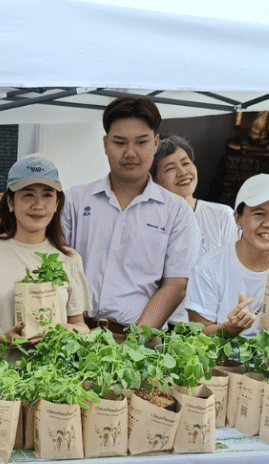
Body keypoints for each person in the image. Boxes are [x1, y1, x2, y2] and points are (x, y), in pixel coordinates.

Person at [61, 95, 201, 333]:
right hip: (74, 333)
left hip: (137, 341)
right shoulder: (74, 200)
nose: (130, 153)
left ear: (156, 143)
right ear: (105, 144)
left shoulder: (176, 211)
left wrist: (136, 342)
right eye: (119, 142)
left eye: (141, 142)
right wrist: (73, 329)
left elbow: (176, 285)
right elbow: (57, 269)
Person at [0, 154, 91, 342]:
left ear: (57, 203)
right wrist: (0, 338)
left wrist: (66, 331)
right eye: (28, 194)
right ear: (10, 202)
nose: (38, 205)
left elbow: (81, 326)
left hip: (53, 370)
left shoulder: (70, 259)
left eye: (47, 195)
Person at [186, 174, 269, 338]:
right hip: (220, 363)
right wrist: (228, 329)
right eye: (259, 213)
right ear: (237, 218)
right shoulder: (210, 267)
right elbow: (197, 334)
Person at [151, 135, 238, 325]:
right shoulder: (149, 222)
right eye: (170, 168)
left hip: (211, 323)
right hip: (167, 325)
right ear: (155, 181)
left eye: (186, 163)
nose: (182, 172)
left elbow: (231, 272)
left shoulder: (222, 215)